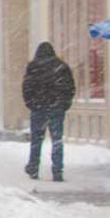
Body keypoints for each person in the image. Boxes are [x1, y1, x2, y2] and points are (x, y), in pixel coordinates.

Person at [22, 42, 76, 181]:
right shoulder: (61, 67)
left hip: (38, 108)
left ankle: (33, 167)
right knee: (56, 140)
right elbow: (69, 88)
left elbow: (27, 87)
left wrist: (31, 103)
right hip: (56, 108)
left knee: (36, 140)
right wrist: (63, 104)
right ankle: (57, 170)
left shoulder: (33, 67)